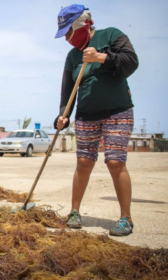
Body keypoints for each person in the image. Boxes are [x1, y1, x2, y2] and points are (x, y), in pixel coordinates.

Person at [53, 4, 139, 236]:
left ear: (82, 25)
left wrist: (101, 57)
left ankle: (125, 218)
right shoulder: (73, 57)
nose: (67, 39)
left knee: (114, 162)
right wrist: (63, 116)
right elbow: (67, 92)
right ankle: (74, 212)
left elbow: (131, 62)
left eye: (69, 32)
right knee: (83, 162)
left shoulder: (111, 35)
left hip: (117, 111)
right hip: (86, 115)